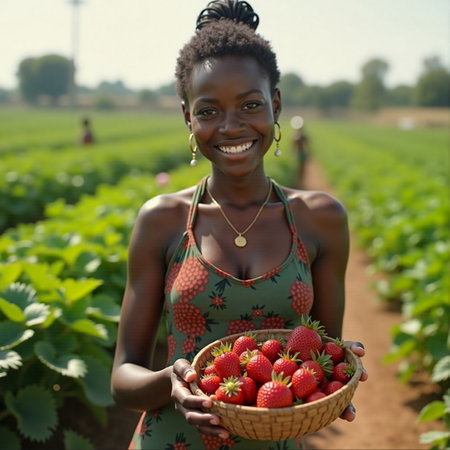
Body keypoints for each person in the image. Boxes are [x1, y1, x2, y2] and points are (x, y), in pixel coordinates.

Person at [111, 1, 368, 449]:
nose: (231, 127)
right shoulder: (162, 220)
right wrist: (171, 384)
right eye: (208, 111)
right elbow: (122, 377)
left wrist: (340, 367)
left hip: (273, 438)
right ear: (188, 118)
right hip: (172, 439)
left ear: (276, 105)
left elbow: (321, 352)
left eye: (250, 105)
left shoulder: (321, 219)